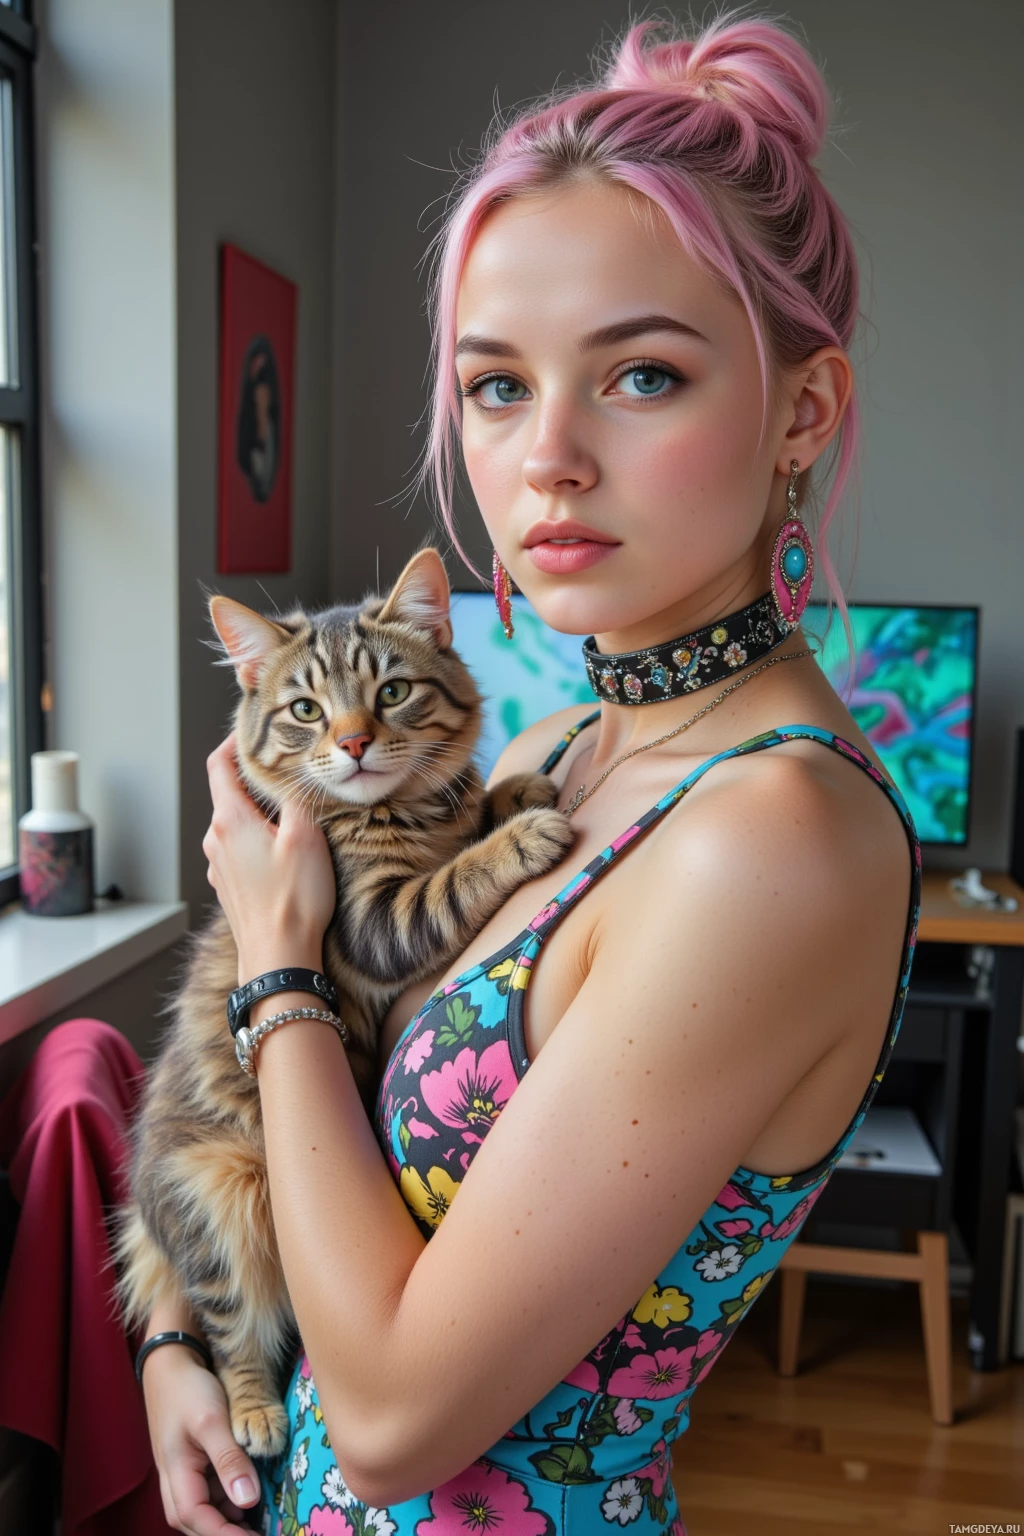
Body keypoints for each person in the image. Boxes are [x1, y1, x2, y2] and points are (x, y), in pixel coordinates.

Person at [138, 12, 920, 1534]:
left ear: (801, 416)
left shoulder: (768, 840)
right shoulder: (569, 749)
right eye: (498, 386)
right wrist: (180, 1335)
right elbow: (297, 1151)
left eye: (638, 378)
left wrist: (280, 954)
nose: (546, 454)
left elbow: (390, 1427)